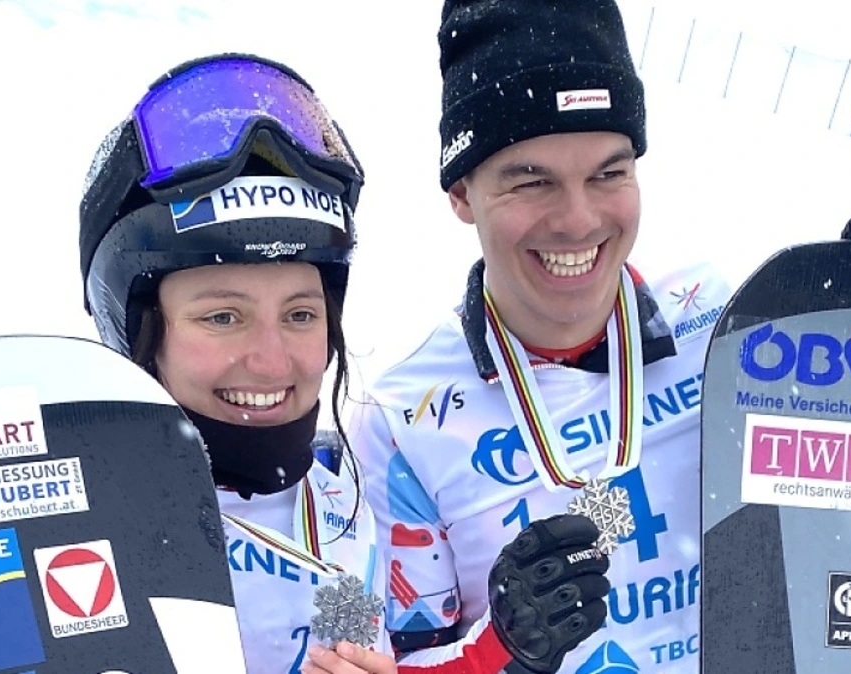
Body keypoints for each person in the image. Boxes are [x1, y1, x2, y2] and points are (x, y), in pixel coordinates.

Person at [345, 1, 851, 672]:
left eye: (608, 174)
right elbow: (384, 658)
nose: (578, 220)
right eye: (532, 182)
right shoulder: (401, 420)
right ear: (462, 195)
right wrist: (504, 651)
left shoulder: (724, 325)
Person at [79, 52, 613, 674]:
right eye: (223, 317)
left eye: (300, 314)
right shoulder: (76, 521)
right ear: (142, 331)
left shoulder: (342, 501)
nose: (271, 361)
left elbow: (390, 658)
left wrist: (505, 648)